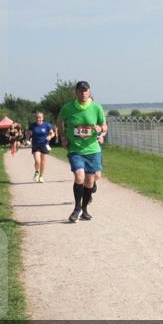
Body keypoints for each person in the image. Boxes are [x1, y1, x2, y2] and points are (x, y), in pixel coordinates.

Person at [56, 81, 107, 223]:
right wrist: (63, 137)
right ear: (76, 92)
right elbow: (60, 121)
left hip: (92, 149)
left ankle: (84, 209)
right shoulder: (68, 107)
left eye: (85, 90)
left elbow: (104, 126)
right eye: (80, 91)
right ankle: (77, 208)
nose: (83, 93)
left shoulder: (96, 107)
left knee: (90, 180)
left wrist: (100, 129)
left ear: (89, 92)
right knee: (79, 176)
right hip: (76, 149)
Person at [27, 110, 56, 182]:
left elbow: (52, 133)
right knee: (37, 160)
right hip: (35, 145)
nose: (38, 119)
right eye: (37, 118)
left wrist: (50, 136)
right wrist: (27, 139)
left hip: (44, 145)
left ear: (43, 118)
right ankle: (36, 172)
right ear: (35, 118)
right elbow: (28, 133)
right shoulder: (32, 125)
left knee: (43, 162)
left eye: (40, 118)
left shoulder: (47, 125)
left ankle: (41, 176)